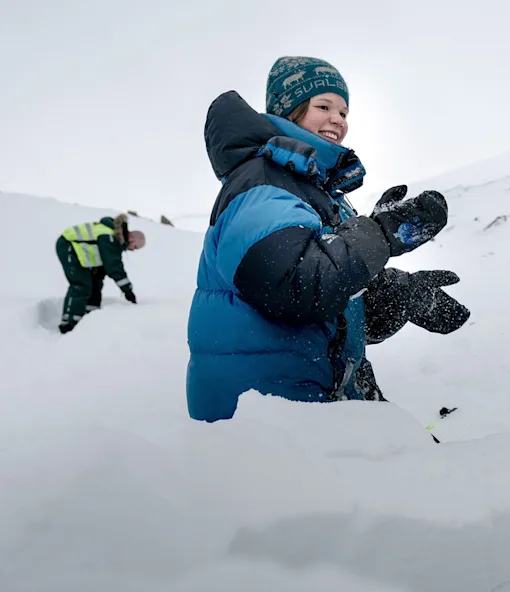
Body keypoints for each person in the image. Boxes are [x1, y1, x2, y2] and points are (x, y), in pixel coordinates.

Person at [186, 56, 469, 422]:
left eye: (344, 112)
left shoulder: (309, 187)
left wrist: (398, 294)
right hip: (266, 419)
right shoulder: (262, 181)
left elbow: (333, 305)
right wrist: (380, 233)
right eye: (324, 106)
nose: (338, 119)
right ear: (290, 109)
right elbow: (298, 287)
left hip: (310, 402)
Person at [56, 212, 144, 334]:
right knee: (81, 285)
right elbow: (113, 265)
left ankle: (90, 318)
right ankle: (69, 324)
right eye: (135, 247)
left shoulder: (114, 238)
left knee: (96, 282)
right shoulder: (110, 237)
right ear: (132, 238)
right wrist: (127, 290)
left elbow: (106, 264)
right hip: (68, 246)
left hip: (82, 253)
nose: (133, 250)